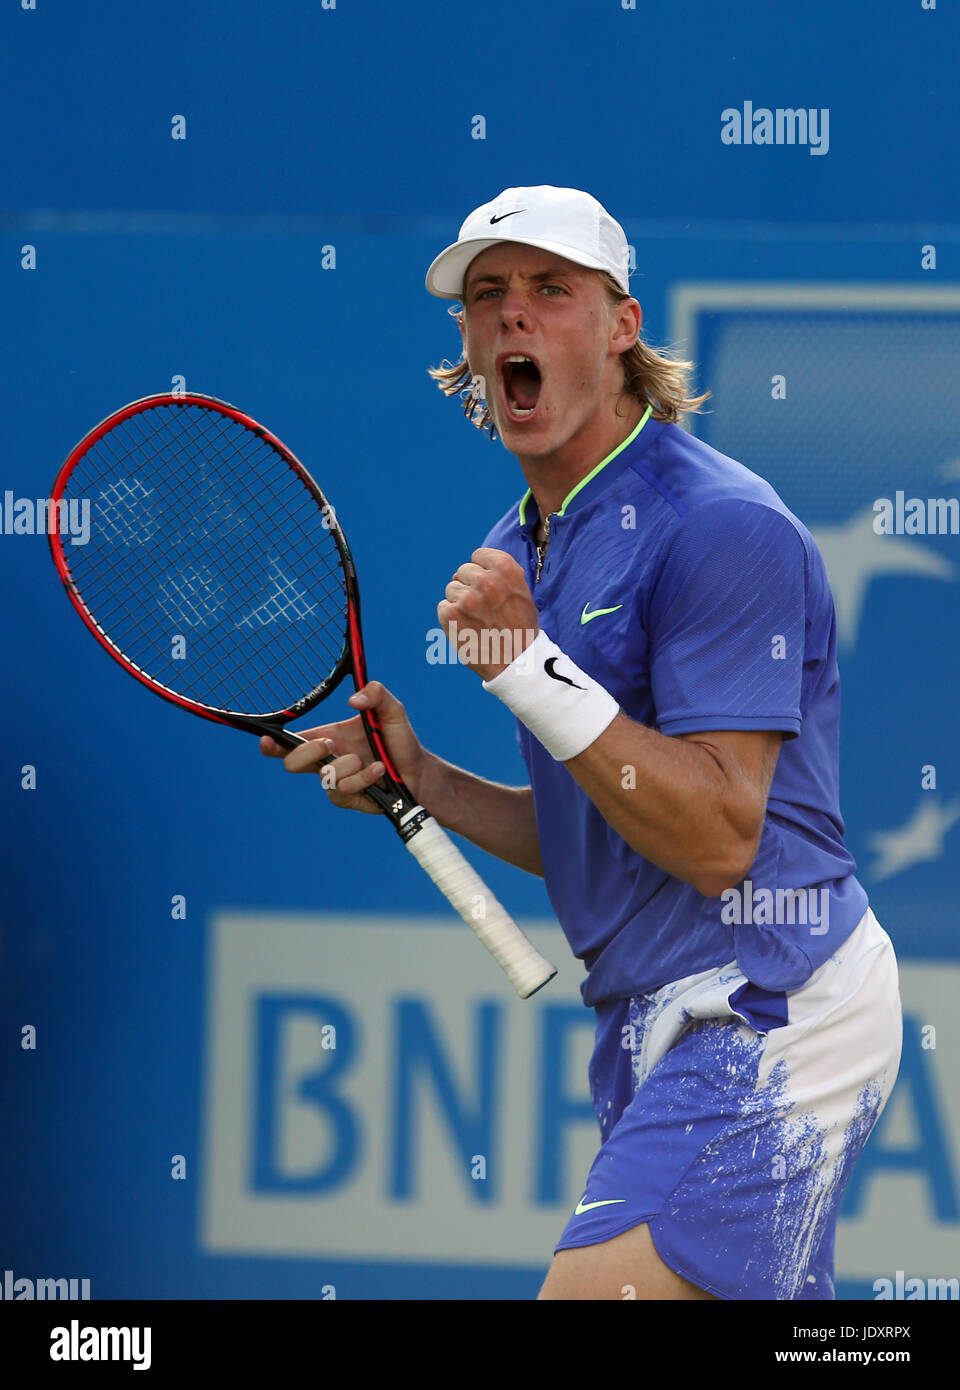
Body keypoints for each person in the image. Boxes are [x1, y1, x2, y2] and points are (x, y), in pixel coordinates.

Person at [261, 185, 902, 1301]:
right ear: (465, 340)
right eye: (488, 294)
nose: (514, 315)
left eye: (551, 290)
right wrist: (431, 783)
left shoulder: (721, 525)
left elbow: (715, 841)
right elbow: (610, 834)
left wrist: (525, 668)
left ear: (621, 328)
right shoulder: (523, 547)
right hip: (657, 1021)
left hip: (774, 1006)